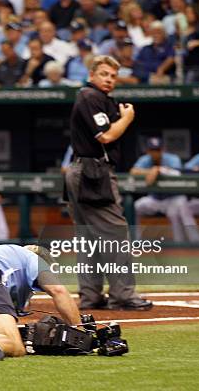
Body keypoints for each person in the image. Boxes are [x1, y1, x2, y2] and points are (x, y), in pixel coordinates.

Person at [64, 55, 152, 311]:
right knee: (114, 232)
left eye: (113, 76)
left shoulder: (98, 99)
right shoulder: (89, 96)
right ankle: (123, 295)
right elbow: (106, 136)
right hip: (92, 171)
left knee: (89, 237)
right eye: (104, 74)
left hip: (83, 169)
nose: (109, 80)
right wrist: (126, 118)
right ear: (91, 75)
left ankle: (90, 295)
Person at [131, 137, 199, 243]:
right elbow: (134, 171)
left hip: (174, 198)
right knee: (136, 207)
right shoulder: (145, 159)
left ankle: (196, 243)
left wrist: (159, 169)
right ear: (148, 151)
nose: (155, 153)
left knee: (178, 215)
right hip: (155, 199)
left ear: (162, 150)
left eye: (157, 150)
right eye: (152, 150)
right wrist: (152, 170)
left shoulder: (172, 159)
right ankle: (135, 240)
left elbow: (177, 173)